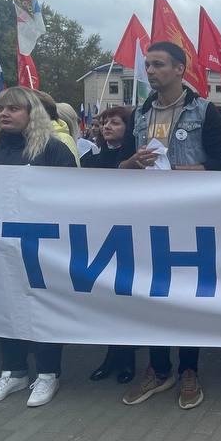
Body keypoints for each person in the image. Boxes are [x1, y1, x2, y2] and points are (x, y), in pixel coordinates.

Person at [119, 41, 221, 411]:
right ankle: (158, 367)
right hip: (150, 217)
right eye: (148, 65)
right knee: (152, 291)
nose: (150, 71)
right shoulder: (140, 114)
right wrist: (133, 163)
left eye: (159, 65)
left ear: (180, 70)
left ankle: (189, 369)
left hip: (192, 217)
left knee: (187, 294)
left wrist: (180, 173)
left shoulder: (205, 111)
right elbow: (123, 167)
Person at [0, 87, 78, 407]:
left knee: (41, 307)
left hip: (40, 245)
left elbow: (73, 196)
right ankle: (14, 371)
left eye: (14, 109)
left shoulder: (54, 150)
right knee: (6, 307)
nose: (4, 113)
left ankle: (48, 374)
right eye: (1, 108)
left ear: (33, 114)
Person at [81, 105, 139, 384]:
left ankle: (128, 358)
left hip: (129, 237)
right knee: (107, 301)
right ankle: (111, 356)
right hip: (99, 236)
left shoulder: (135, 161)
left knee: (126, 299)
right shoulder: (91, 160)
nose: (107, 127)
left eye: (115, 123)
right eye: (104, 122)